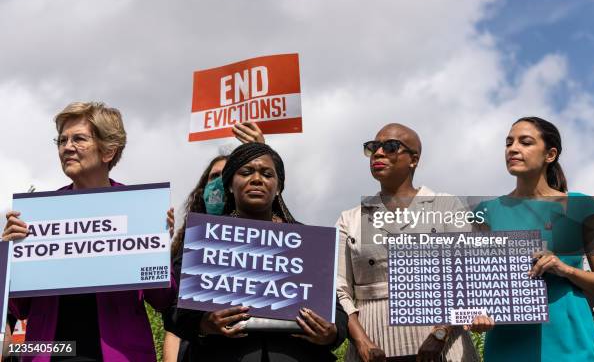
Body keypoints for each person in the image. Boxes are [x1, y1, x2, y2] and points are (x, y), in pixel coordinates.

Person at [3, 102, 177, 362]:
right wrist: (9, 254)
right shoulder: (38, 214)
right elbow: (19, 308)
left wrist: (157, 247)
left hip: (120, 355)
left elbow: (163, 299)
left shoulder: (140, 210)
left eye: (78, 139)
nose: (67, 147)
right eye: (61, 140)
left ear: (108, 151)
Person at [172, 142, 348, 361]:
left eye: (267, 174)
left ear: (279, 187)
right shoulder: (205, 237)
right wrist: (204, 323)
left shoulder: (307, 241)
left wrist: (331, 333)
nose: (257, 179)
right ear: (229, 185)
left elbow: (337, 311)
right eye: (246, 172)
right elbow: (173, 307)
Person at [336, 123, 482, 362]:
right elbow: (338, 287)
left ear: (414, 159)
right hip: (373, 344)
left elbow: (466, 275)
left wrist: (440, 332)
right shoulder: (350, 218)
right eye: (373, 147)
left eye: (391, 147)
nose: (379, 153)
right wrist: (362, 341)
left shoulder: (446, 206)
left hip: (444, 344)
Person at [474, 116, 594, 362]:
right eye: (508, 143)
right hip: (508, 344)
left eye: (525, 142)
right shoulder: (486, 212)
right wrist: (476, 314)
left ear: (550, 155)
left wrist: (565, 269)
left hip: (571, 343)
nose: (513, 149)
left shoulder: (579, 206)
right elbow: (475, 283)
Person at [163, 122, 265, 362]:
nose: (218, 183)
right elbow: (173, 315)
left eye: (226, 175)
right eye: (213, 177)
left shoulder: (266, 231)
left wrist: (260, 153)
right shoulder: (188, 244)